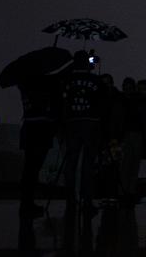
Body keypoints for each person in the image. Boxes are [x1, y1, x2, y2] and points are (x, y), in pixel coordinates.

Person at [60, 51, 106, 211]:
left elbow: (63, 102)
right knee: (88, 163)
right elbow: (102, 101)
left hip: (72, 124)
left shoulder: (66, 80)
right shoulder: (95, 80)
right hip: (91, 125)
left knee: (71, 163)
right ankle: (87, 200)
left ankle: (71, 199)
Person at [18, 72, 60, 219]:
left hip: (29, 130)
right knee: (33, 169)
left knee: (29, 169)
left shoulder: (24, 87)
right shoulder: (42, 90)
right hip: (40, 131)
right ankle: (28, 203)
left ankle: (26, 202)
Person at [118, 77, 145, 202]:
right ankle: (130, 191)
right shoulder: (138, 100)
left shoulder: (121, 100)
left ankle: (124, 191)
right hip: (135, 134)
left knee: (126, 165)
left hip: (126, 134)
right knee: (133, 165)